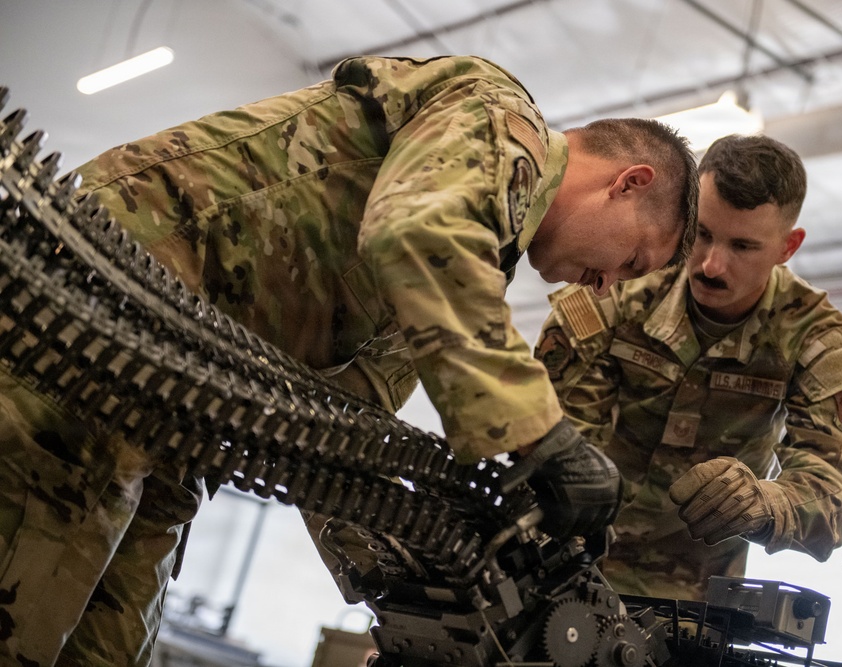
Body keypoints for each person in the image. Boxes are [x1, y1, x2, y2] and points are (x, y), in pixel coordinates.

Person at [0, 55, 699, 666]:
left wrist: (428, 589)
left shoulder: (464, 276)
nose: (607, 285)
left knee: (108, 641)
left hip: (169, 416)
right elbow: (417, 233)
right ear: (629, 182)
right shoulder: (497, 116)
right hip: (97, 316)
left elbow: (335, 430)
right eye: (630, 260)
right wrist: (544, 435)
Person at [535, 133, 842, 601]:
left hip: (691, 602)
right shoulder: (619, 287)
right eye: (702, 234)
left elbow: (834, 499)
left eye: (743, 246)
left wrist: (764, 504)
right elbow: (555, 436)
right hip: (564, 567)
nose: (712, 265)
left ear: (787, 247)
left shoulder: (815, 342)